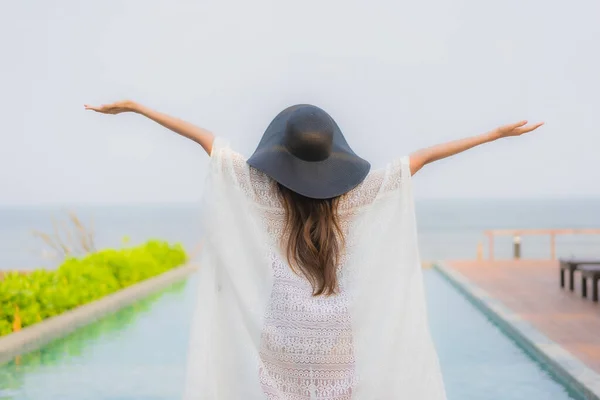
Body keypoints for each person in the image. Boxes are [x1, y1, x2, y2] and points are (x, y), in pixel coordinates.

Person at [86, 101, 543, 399]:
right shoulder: (355, 198)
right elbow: (420, 158)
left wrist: (137, 108)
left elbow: (206, 140)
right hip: (336, 344)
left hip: (282, 335)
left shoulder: (264, 194)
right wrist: (493, 135)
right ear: (333, 159)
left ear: (280, 155)